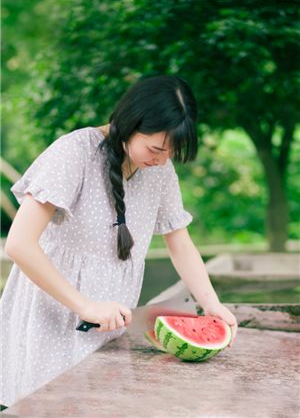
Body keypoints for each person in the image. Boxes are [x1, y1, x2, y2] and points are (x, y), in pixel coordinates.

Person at [0, 74, 238, 408]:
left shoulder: (160, 169)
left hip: (111, 321)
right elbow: (19, 244)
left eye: (169, 153)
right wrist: (85, 305)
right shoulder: (74, 152)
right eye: (154, 148)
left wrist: (211, 304)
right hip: (53, 313)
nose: (160, 159)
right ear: (129, 123)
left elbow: (180, 244)